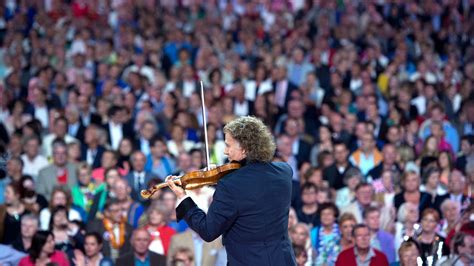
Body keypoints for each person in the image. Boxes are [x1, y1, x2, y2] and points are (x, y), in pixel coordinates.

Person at [166, 116, 296, 265]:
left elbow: (208, 230)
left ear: (245, 149)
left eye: (228, 145)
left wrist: (183, 196)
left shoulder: (230, 185)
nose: (225, 152)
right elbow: (255, 181)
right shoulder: (284, 172)